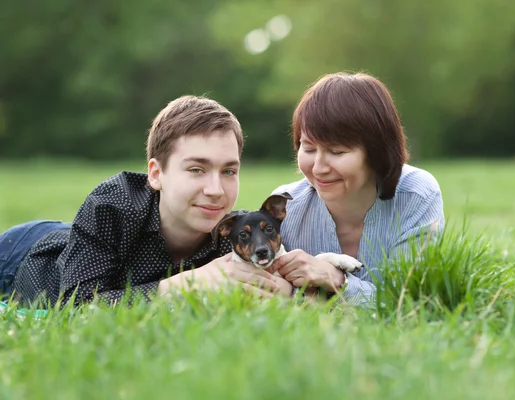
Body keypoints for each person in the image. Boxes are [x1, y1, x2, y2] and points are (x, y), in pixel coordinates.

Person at [0, 95, 293, 308]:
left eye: (229, 170)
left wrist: (281, 289)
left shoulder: (239, 232)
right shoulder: (113, 205)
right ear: (156, 174)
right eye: (196, 169)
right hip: (20, 256)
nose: (216, 190)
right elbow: (76, 308)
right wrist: (191, 283)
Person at [268, 72, 445, 306]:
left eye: (337, 152)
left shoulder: (416, 195)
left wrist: (337, 280)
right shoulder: (284, 206)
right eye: (308, 149)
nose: (319, 168)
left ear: (376, 152)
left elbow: (411, 304)